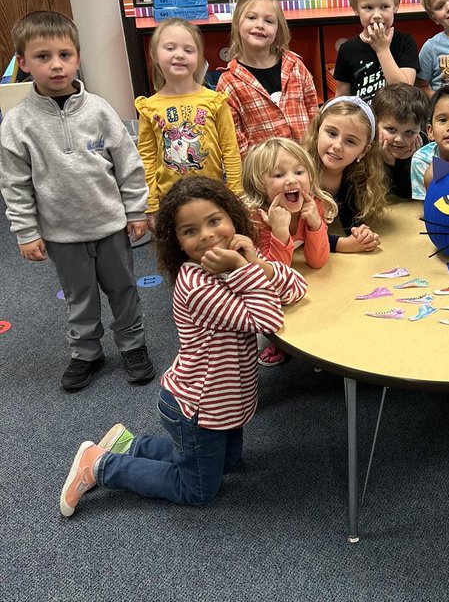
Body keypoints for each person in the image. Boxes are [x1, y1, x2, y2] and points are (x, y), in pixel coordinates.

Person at [58, 177, 307, 516]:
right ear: (176, 240)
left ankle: (130, 444)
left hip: (228, 402)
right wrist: (241, 268)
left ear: (233, 217)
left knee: (228, 461)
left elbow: (296, 288)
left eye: (214, 221)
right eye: (190, 231)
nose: (205, 235)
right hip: (197, 408)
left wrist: (255, 262)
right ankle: (99, 465)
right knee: (197, 489)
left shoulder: (237, 256)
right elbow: (266, 320)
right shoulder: (195, 284)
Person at [0, 11, 155, 392]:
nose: (56, 65)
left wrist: (136, 210)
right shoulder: (17, 123)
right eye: (42, 56)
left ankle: (133, 345)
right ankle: (86, 352)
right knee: (79, 297)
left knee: (123, 289)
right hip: (61, 233)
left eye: (65, 55)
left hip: (110, 226)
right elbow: (14, 184)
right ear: (23, 63)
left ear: (78, 58)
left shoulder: (99, 110)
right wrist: (26, 232)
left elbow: (128, 166)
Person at [135, 18, 242, 225]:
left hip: (212, 196)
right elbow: (146, 159)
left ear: (199, 58)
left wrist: (236, 194)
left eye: (188, 50)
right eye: (170, 48)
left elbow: (230, 150)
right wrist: (150, 204)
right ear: (155, 55)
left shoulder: (215, 101)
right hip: (169, 201)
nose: (179, 55)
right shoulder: (149, 108)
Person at [242, 137, 335, 367]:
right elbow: (275, 278)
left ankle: (314, 344)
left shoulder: (313, 205)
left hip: (297, 274)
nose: (291, 180)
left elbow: (318, 261)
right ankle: (278, 342)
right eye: (278, 175)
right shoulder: (258, 217)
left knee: (322, 295)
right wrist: (280, 230)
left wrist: (315, 224)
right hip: (260, 280)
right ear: (258, 184)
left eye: (299, 171)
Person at [215, 0, 319, 156]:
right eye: (251, 18)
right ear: (237, 23)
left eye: (269, 21)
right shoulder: (229, 82)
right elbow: (235, 140)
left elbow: (313, 113)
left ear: (278, 29)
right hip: (263, 172)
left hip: (305, 163)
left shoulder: (295, 65)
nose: (260, 25)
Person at [303, 96, 388, 252]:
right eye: (331, 133)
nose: (337, 146)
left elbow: (352, 218)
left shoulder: (355, 177)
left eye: (350, 141)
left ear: (364, 150)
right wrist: (342, 245)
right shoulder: (299, 175)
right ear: (317, 130)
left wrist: (362, 235)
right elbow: (300, 235)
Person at [333, 0, 418, 102]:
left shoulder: (405, 42)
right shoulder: (347, 49)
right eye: (368, 8)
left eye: (384, 7)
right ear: (355, 9)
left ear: (396, 5)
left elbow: (405, 92)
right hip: (362, 122)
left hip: (397, 121)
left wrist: (382, 49)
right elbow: (342, 97)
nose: (377, 15)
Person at [371, 83, 430, 200]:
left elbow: (413, 196)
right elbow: (375, 196)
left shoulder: (425, 149)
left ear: (420, 129)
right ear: (375, 123)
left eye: (409, 132)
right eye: (391, 129)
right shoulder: (366, 146)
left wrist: (407, 163)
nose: (399, 139)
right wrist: (387, 163)